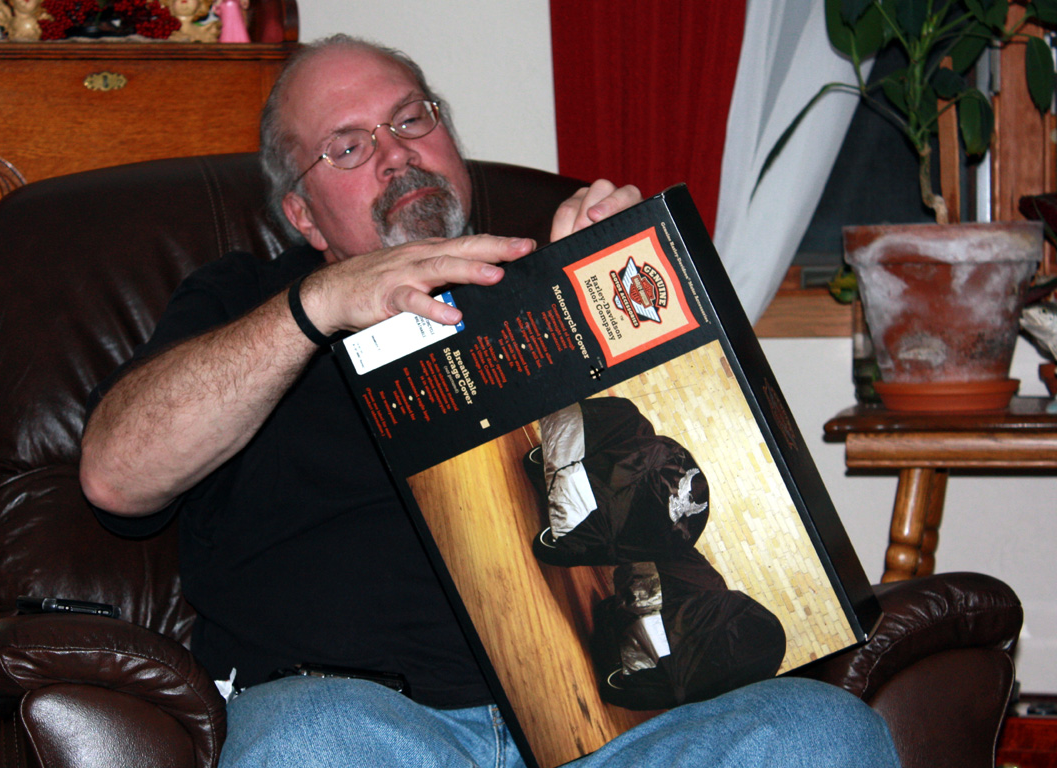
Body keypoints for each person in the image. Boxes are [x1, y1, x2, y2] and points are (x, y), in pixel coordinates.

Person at [79, 34, 901, 768]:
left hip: (622, 722)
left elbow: (712, 494)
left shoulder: (552, 283)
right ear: (304, 215)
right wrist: (316, 307)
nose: (396, 155)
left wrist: (627, 279)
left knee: (823, 732)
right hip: (358, 718)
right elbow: (117, 477)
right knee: (309, 748)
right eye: (349, 146)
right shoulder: (248, 304)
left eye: (411, 119)